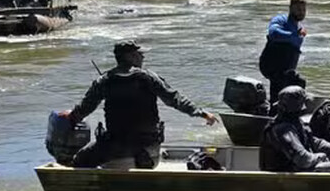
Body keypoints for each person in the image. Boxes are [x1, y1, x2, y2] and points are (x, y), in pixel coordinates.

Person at [64, 41, 217, 169]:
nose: (143, 56)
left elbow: (85, 108)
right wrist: (202, 113)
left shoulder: (104, 81)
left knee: (79, 161)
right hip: (147, 146)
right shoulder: (148, 78)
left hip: (114, 146)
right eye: (139, 54)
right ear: (129, 57)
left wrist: (70, 117)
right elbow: (175, 100)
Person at [260, 86, 330, 173]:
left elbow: (314, 142)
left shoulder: (295, 122)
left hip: (294, 171)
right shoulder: (283, 129)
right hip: (281, 178)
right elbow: (302, 159)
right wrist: (321, 157)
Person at [259, 0, 308, 102]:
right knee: (280, 85)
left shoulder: (299, 28)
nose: (301, 12)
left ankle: (292, 111)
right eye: (298, 9)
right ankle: (274, 111)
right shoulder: (280, 20)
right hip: (270, 65)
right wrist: (294, 34)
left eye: (303, 10)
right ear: (290, 9)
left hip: (287, 68)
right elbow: (273, 33)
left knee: (299, 83)